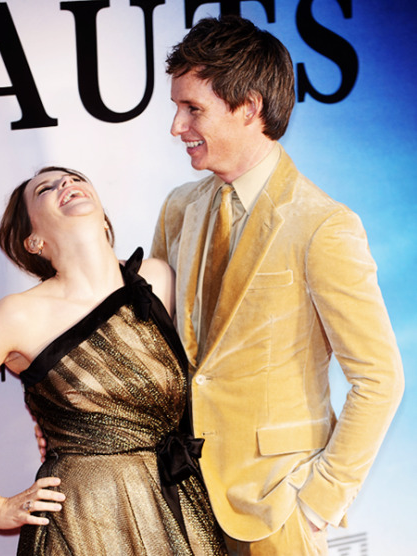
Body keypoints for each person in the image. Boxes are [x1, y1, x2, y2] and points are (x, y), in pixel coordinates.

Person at [150, 15, 404, 556]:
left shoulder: (323, 225)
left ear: (249, 108)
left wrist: (317, 504)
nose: (176, 126)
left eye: (192, 108)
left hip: (276, 506)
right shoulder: (178, 209)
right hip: (183, 501)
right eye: (177, 107)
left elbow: (380, 379)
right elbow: (152, 346)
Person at [0, 166, 228, 555]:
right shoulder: (18, 316)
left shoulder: (158, 278)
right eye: (46, 188)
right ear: (33, 241)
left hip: (179, 505)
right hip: (85, 525)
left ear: (102, 213)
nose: (67, 184)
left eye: (74, 178)